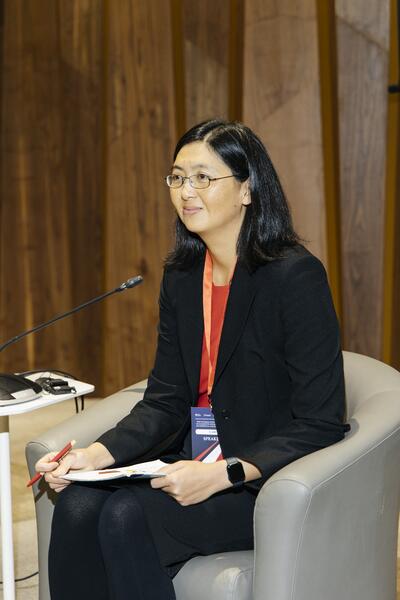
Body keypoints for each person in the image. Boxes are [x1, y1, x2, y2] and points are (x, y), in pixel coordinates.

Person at [36, 119, 350, 600]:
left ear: (247, 189)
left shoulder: (294, 277)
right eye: (178, 177)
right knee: (78, 504)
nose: (186, 191)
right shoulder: (182, 277)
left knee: (126, 514)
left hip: (259, 480)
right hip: (192, 462)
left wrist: (225, 472)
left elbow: (321, 421)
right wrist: (91, 457)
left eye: (203, 177)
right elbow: (165, 401)